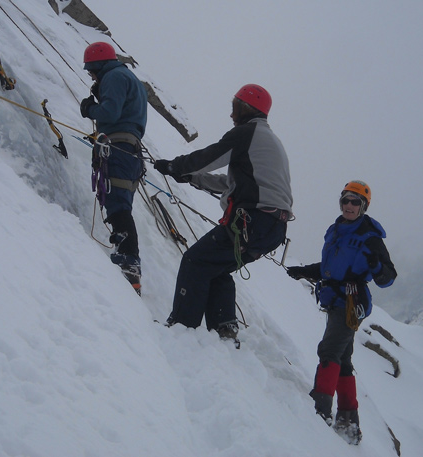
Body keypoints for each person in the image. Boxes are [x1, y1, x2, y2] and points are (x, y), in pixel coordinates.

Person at [154, 84, 293, 345]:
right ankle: (224, 329)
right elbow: (232, 185)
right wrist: (193, 179)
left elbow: (208, 156)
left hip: (253, 221)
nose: (231, 115)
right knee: (215, 268)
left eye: (234, 107)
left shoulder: (246, 133)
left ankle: (183, 329)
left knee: (195, 261)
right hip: (272, 228)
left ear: (245, 107)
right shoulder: (268, 140)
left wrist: (175, 166)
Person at [286, 180, 397, 445]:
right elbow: (330, 267)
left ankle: (320, 411)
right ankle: (349, 421)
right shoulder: (336, 230)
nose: (349, 205)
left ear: (363, 206)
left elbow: (388, 278)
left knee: (329, 351)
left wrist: (377, 266)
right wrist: (304, 271)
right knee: (343, 359)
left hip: (351, 303)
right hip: (335, 299)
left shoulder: (371, 237)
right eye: (346, 200)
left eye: (355, 202)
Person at [80, 42, 148, 295]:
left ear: (98, 65)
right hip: (129, 150)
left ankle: (129, 262)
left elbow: (109, 112)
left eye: (91, 70)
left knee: (117, 203)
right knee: (120, 202)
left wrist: (89, 108)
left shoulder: (115, 76)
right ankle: (130, 270)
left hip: (118, 147)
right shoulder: (126, 76)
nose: (91, 75)